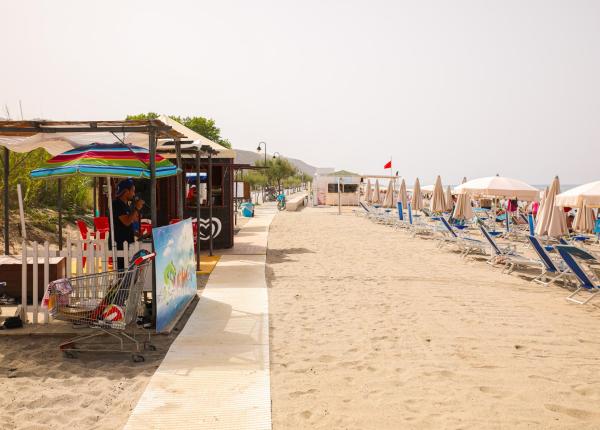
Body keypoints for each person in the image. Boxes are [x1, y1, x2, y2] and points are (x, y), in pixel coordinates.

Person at [112, 179, 144, 270]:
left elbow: (129, 224)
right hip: (120, 245)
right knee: (122, 275)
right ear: (126, 191)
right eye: (133, 191)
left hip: (127, 244)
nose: (134, 194)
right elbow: (126, 222)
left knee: (128, 274)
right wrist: (137, 208)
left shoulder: (126, 205)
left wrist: (137, 234)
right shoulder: (116, 204)